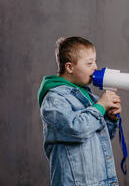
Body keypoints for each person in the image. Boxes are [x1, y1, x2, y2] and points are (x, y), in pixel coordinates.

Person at [38, 37, 121, 186]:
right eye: (89, 63)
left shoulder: (89, 97)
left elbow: (104, 136)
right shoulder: (54, 99)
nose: (95, 67)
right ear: (69, 67)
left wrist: (110, 117)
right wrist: (100, 107)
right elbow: (76, 129)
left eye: (95, 61)